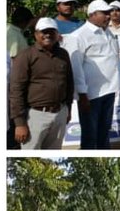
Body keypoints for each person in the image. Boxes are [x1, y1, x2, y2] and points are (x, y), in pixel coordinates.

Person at [9, 17, 74, 149]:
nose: (48, 35)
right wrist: (20, 123)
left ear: (57, 34)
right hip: (35, 116)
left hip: (60, 112)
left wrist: (68, 109)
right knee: (31, 157)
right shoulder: (26, 56)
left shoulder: (63, 54)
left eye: (51, 31)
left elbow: (69, 82)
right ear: (36, 34)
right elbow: (16, 90)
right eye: (43, 32)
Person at [68, 0, 120, 150]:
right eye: (104, 13)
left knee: (104, 132)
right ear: (92, 14)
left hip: (109, 91)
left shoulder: (107, 32)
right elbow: (75, 67)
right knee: (90, 135)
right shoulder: (79, 36)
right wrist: (82, 94)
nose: (108, 16)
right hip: (91, 95)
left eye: (108, 13)